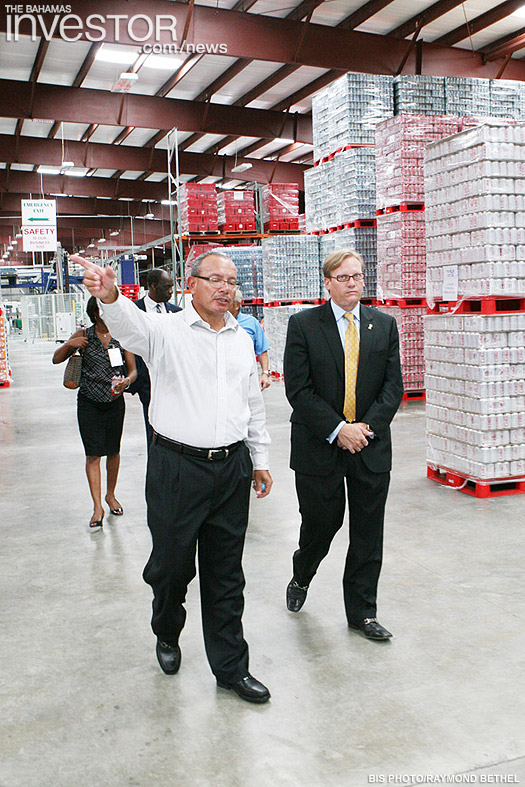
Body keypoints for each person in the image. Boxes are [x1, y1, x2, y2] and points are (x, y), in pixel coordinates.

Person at [72, 250, 273, 704]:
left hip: (231, 467)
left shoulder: (242, 338)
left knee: (226, 574)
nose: (225, 287)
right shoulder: (165, 330)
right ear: (191, 283)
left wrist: (259, 458)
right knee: (171, 568)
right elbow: (129, 327)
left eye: (232, 280)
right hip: (177, 468)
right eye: (215, 279)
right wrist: (109, 296)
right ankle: (166, 631)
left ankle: (231, 668)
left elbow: (251, 403)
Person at [283, 249, 403, 640]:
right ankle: (303, 572)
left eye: (358, 275)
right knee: (321, 524)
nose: (353, 282)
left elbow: (392, 388)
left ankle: (362, 613)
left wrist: (365, 428)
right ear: (328, 282)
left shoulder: (383, 326)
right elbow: (298, 390)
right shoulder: (303, 325)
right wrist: (338, 429)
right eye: (344, 276)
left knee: (368, 532)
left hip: (369, 446)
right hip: (320, 445)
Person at [52, 296, 137, 531]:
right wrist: (71, 345)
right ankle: (97, 506)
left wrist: (127, 382)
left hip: (114, 401)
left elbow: (133, 370)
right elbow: (56, 359)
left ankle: (111, 495)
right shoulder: (84, 336)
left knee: (113, 451)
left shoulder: (121, 337)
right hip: (89, 402)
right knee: (92, 454)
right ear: (96, 313)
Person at [128, 269, 181, 446]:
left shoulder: (177, 313)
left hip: (174, 381)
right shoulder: (134, 311)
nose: (171, 291)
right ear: (153, 286)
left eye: (172, 287)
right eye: (167, 287)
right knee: (153, 432)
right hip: (147, 383)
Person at [229, 288, 271, 391]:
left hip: (247, 378)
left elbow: (262, 350)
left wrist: (265, 373)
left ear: (237, 305)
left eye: (227, 302)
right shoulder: (217, 322)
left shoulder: (251, 323)